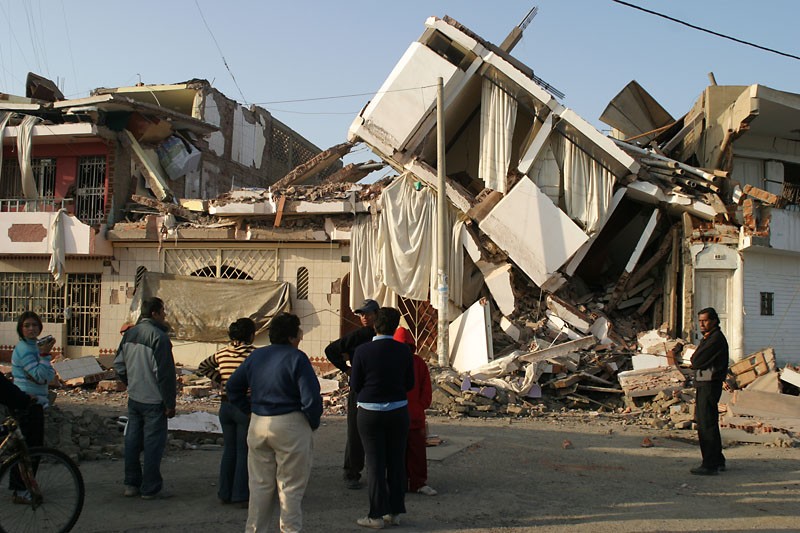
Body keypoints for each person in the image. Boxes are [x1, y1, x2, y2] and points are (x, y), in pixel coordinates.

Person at [226, 312, 322, 533]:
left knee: (259, 486)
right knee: (290, 488)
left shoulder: (256, 357)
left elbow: (233, 387)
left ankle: (255, 529)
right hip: (290, 424)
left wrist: (249, 410)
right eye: (299, 332)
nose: (300, 337)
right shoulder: (297, 358)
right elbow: (311, 398)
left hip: (259, 422)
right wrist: (312, 422)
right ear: (291, 337)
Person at [350, 307, 414, 529]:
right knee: (396, 461)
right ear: (396, 327)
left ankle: (376, 514)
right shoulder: (404, 351)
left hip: (369, 412)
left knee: (375, 463)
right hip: (397, 411)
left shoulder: (362, 351)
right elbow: (410, 384)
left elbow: (355, 384)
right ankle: (395, 511)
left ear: (375, 324)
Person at [114, 296, 177, 499]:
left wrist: (129, 382)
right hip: (154, 400)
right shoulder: (159, 338)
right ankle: (150, 487)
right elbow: (165, 375)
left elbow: (119, 364)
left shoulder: (130, 334)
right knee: (152, 445)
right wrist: (170, 403)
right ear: (155, 313)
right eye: (163, 311)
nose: (165, 315)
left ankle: (131, 483)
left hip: (135, 397)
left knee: (132, 441)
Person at [198, 317, 257, 507]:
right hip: (245, 405)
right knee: (244, 451)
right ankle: (240, 494)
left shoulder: (222, 353)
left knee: (229, 450)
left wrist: (221, 380)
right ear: (250, 335)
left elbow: (202, 367)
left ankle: (225, 492)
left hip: (225, 405)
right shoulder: (253, 354)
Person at [324, 298, 379, 489]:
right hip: (360, 387)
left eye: (368, 314)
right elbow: (331, 350)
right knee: (355, 431)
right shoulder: (359, 336)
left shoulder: (379, 335)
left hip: (374, 387)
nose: (364, 317)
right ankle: (352, 472)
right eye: (362, 314)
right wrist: (345, 369)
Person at [9, 311, 55, 500]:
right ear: (21, 328)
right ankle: (21, 489)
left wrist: (42, 364)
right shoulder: (25, 349)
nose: (31, 328)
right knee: (28, 448)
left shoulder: (34, 347)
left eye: (34, 325)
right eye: (27, 325)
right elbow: (40, 375)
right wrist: (44, 357)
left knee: (29, 447)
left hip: (36, 401)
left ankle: (25, 486)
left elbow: (48, 376)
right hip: (27, 402)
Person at [393, 326, 437, 497]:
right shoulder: (417, 362)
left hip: (403, 415)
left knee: (407, 451)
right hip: (410, 415)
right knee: (411, 452)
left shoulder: (416, 363)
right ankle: (413, 482)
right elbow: (426, 390)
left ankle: (409, 482)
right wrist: (420, 406)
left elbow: (425, 389)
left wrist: (419, 406)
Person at [689, 307, 729, 475]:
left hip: (709, 384)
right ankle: (718, 460)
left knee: (706, 424)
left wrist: (694, 362)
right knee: (709, 422)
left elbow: (696, 360)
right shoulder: (709, 338)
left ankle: (709, 464)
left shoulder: (715, 339)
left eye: (705, 321)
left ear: (714, 321)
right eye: (700, 321)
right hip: (706, 383)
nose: (702, 324)